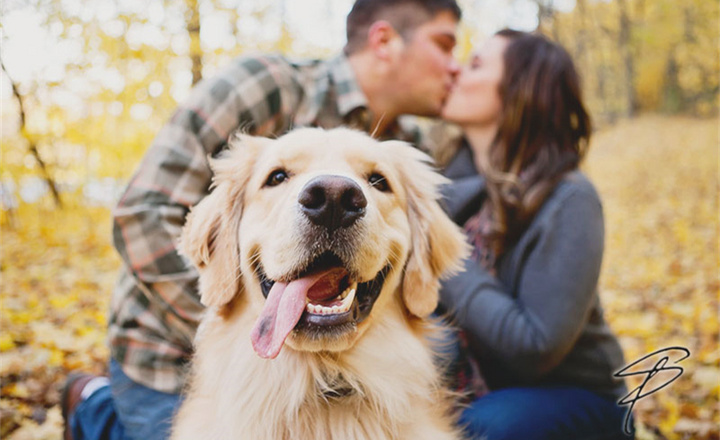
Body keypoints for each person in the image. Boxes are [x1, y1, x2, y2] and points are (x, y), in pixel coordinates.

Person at [60, 1, 462, 439]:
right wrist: (238, 323)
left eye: (375, 181)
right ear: (384, 41)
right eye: (445, 45)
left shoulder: (413, 143)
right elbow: (141, 214)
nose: (457, 68)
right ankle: (93, 403)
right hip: (167, 347)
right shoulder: (265, 84)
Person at [438, 29, 635, 439]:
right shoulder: (450, 189)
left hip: (581, 401)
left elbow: (535, 348)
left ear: (519, 91)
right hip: (487, 394)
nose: (455, 69)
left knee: (476, 428)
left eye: (475, 64)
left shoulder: (570, 199)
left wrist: (443, 256)